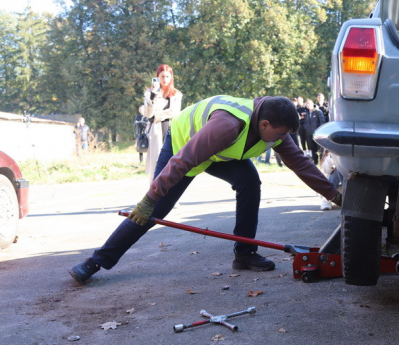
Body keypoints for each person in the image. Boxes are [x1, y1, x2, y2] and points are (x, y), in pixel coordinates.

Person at [68, 96, 342, 284]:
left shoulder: (275, 128)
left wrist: (335, 195)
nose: (283, 140)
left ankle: (244, 255)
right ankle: (95, 262)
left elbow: (301, 165)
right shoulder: (228, 126)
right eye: (280, 134)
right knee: (156, 209)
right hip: (183, 146)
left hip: (218, 153)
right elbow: (183, 160)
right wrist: (149, 199)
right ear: (265, 125)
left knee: (249, 183)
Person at [143, 64, 183, 183]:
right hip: (155, 131)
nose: (165, 79)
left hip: (171, 129)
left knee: (172, 163)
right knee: (156, 164)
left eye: (167, 76)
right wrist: (152, 98)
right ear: (157, 77)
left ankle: (170, 196)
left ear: (171, 77)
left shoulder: (176, 94)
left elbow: (175, 112)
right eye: (162, 76)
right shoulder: (149, 93)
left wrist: (157, 115)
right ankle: (153, 195)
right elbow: (148, 113)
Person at [303, 99, 326, 165]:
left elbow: (322, 122)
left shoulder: (318, 112)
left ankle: (322, 162)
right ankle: (315, 162)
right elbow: (305, 123)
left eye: (309, 103)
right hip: (309, 134)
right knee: (312, 149)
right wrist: (306, 128)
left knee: (320, 149)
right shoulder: (307, 113)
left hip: (317, 134)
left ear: (312, 103)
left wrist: (319, 132)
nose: (308, 105)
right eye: (306, 104)